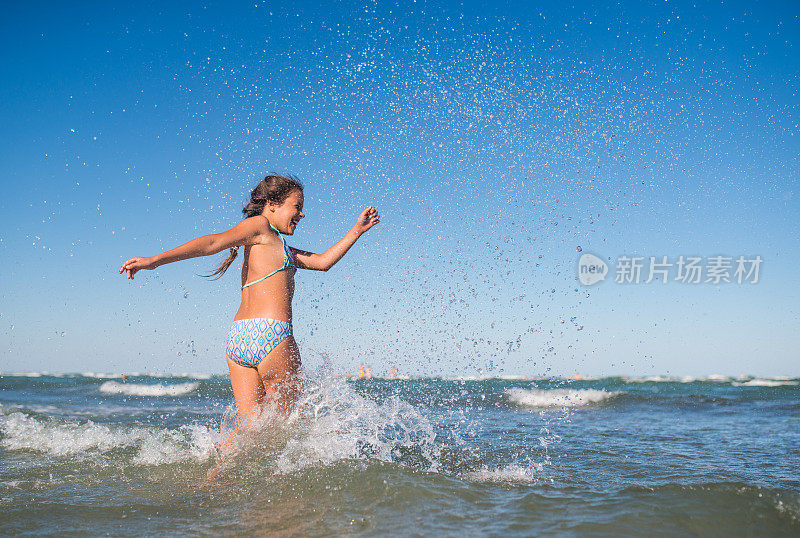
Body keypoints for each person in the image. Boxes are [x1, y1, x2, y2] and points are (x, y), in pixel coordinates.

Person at [119, 174, 380, 428]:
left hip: (239, 339)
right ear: (272, 204)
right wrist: (154, 260)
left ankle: (213, 474)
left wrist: (357, 229)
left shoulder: (279, 247)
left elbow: (323, 262)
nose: (302, 214)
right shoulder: (260, 226)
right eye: (297, 207)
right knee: (286, 430)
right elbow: (213, 242)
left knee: (249, 432)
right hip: (272, 335)